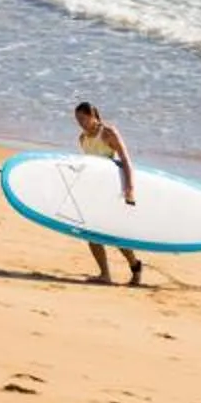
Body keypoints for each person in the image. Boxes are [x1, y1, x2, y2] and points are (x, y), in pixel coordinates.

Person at [74, 100, 145, 286]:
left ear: (92, 116)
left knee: (114, 235)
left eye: (82, 118)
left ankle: (135, 266)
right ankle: (105, 274)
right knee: (91, 233)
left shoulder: (108, 133)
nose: (80, 123)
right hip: (93, 191)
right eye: (77, 120)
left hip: (111, 190)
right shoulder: (83, 139)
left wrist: (130, 189)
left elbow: (126, 161)